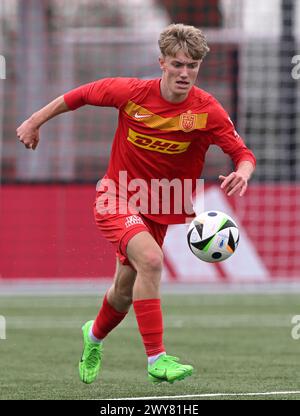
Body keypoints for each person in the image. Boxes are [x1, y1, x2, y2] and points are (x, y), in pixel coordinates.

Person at [17, 23, 256, 385]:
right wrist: (35, 121)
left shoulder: (207, 110)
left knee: (124, 292)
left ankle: (92, 337)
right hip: (116, 195)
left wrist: (244, 170)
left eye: (192, 65)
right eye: (177, 64)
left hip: (162, 205)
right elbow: (79, 95)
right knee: (152, 260)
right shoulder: (130, 92)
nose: (185, 73)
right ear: (162, 63)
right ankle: (156, 359)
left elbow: (242, 152)